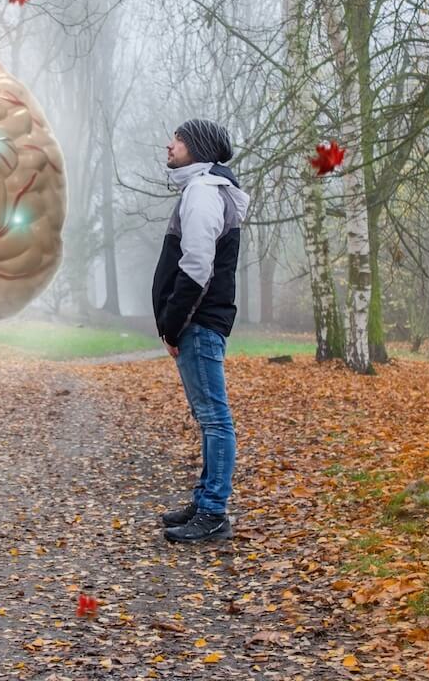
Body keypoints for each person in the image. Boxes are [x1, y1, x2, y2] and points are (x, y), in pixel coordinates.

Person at [151, 118, 250, 543]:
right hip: (199, 322)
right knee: (209, 417)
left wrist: (173, 325)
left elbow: (195, 267)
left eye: (178, 139)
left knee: (215, 418)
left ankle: (213, 512)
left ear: (197, 147)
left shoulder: (204, 193)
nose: (170, 145)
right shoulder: (201, 190)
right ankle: (205, 499)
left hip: (198, 321)